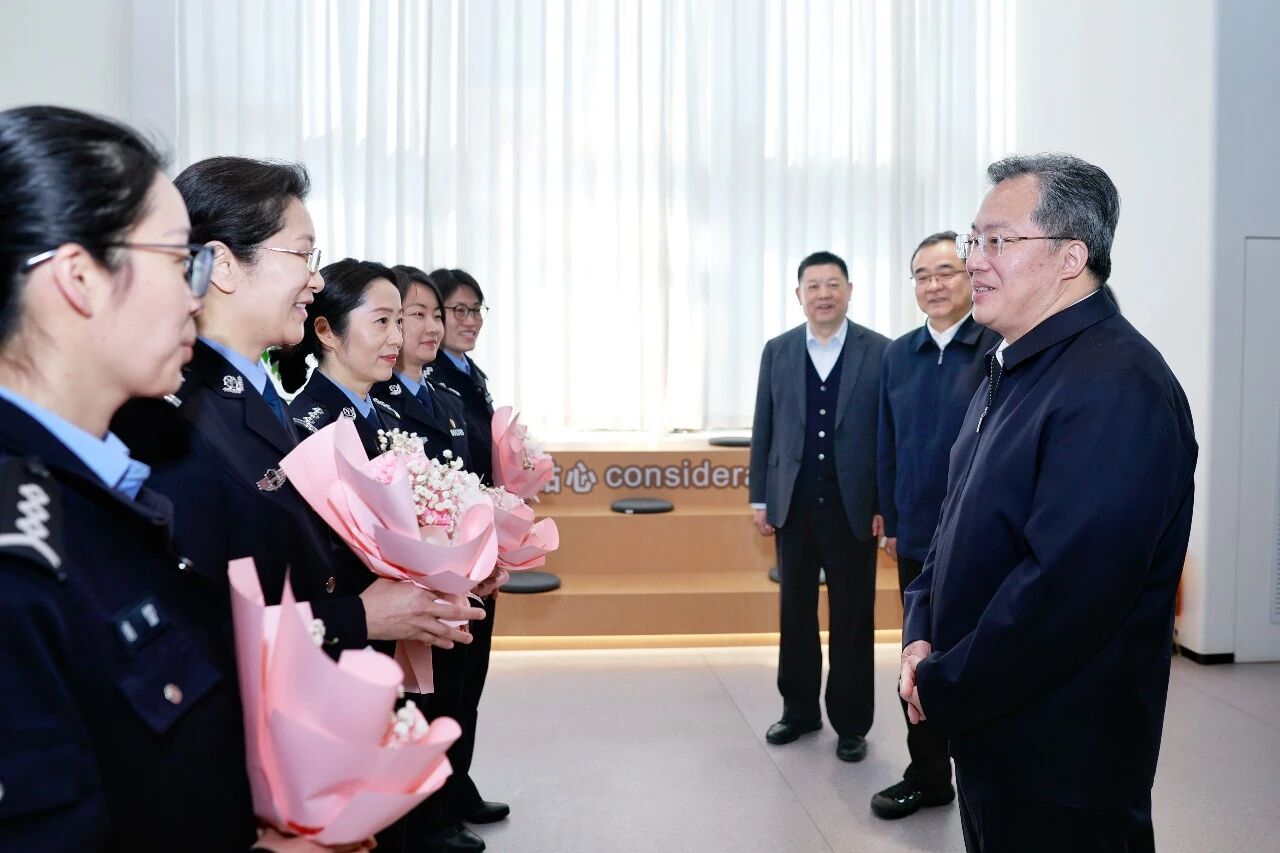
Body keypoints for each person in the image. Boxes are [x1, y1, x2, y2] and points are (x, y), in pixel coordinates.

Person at [0, 104, 325, 852]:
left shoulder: (100, 486)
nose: (195, 294)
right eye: (180, 260)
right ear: (80, 277)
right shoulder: (20, 554)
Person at [899, 154, 1197, 852]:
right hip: (991, 731)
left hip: (1061, 763)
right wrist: (921, 627)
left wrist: (943, 683)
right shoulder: (1010, 366)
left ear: (1071, 257)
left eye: (998, 240)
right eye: (975, 239)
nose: (973, 261)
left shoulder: (1116, 387)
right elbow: (952, 521)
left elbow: (1064, 594)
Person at [113, 159, 480, 658]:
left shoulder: (257, 399)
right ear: (223, 265)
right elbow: (184, 621)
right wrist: (357, 618)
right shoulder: (173, 417)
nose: (316, 281)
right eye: (303, 255)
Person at [369, 265, 505, 853]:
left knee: (463, 688)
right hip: (417, 576)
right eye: (414, 315)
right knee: (426, 696)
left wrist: (494, 547)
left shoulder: (448, 395)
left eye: (432, 314)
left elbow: (471, 482)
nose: (428, 327)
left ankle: (453, 791)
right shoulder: (379, 400)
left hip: (467, 569)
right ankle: (428, 815)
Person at [869, 232, 999, 819]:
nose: (934, 284)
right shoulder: (898, 354)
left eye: (946, 271)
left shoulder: (997, 345)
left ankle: (985, 777)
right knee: (917, 659)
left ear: (971, 275)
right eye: (922, 275)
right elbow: (887, 444)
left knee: (977, 660)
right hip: (918, 537)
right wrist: (891, 518)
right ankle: (927, 775)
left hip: (982, 539)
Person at [748, 251, 889, 763]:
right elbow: (764, 426)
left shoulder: (881, 351)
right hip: (794, 505)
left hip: (855, 507)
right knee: (795, 612)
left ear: (849, 290)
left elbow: (888, 435)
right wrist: (760, 497)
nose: (823, 294)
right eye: (813, 285)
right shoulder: (779, 350)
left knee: (853, 615)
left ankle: (851, 722)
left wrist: (885, 503)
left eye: (833, 284)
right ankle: (799, 711)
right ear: (799, 295)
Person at [410, 267, 508, 852]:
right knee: (443, 689)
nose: (467, 321)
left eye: (477, 310)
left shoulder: (464, 379)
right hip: (440, 558)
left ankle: (457, 785)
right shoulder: (415, 383)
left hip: (477, 551)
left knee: (469, 682)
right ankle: (438, 806)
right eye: (455, 311)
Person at [278, 258, 407, 457]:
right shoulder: (308, 430)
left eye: (399, 321)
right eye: (382, 320)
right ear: (326, 332)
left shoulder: (388, 416)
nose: (398, 339)